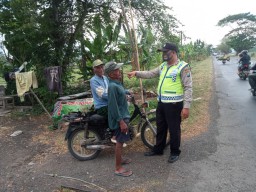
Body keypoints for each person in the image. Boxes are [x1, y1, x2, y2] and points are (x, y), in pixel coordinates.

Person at [127, 42, 193, 163]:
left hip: (174, 104)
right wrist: (136, 73)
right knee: (161, 127)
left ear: (173, 52)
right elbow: (150, 73)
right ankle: (158, 149)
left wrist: (186, 107)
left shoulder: (183, 67)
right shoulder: (163, 66)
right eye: (162, 52)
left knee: (174, 129)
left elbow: (188, 87)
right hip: (161, 103)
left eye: (165, 52)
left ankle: (174, 152)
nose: (163, 54)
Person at [104, 61, 133, 177]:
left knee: (121, 141)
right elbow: (112, 106)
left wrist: (127, 92)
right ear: (111, 74)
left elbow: (121, 91)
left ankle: (120, 160)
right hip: (120, 118)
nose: (119, 71)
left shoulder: (116, 83)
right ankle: (118, 168)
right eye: (116, 70)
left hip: (123, 115)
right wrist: (121, 121)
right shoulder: (112, 86)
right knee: (120, 142)